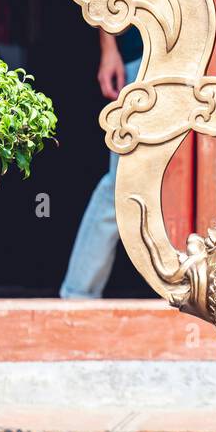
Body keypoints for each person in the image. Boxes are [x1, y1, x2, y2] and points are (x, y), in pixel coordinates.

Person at [58, 28, 142, 298]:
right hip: (140, 58)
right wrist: (109, 49)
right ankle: (78, 293)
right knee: (121, 183)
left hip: (200, 68)